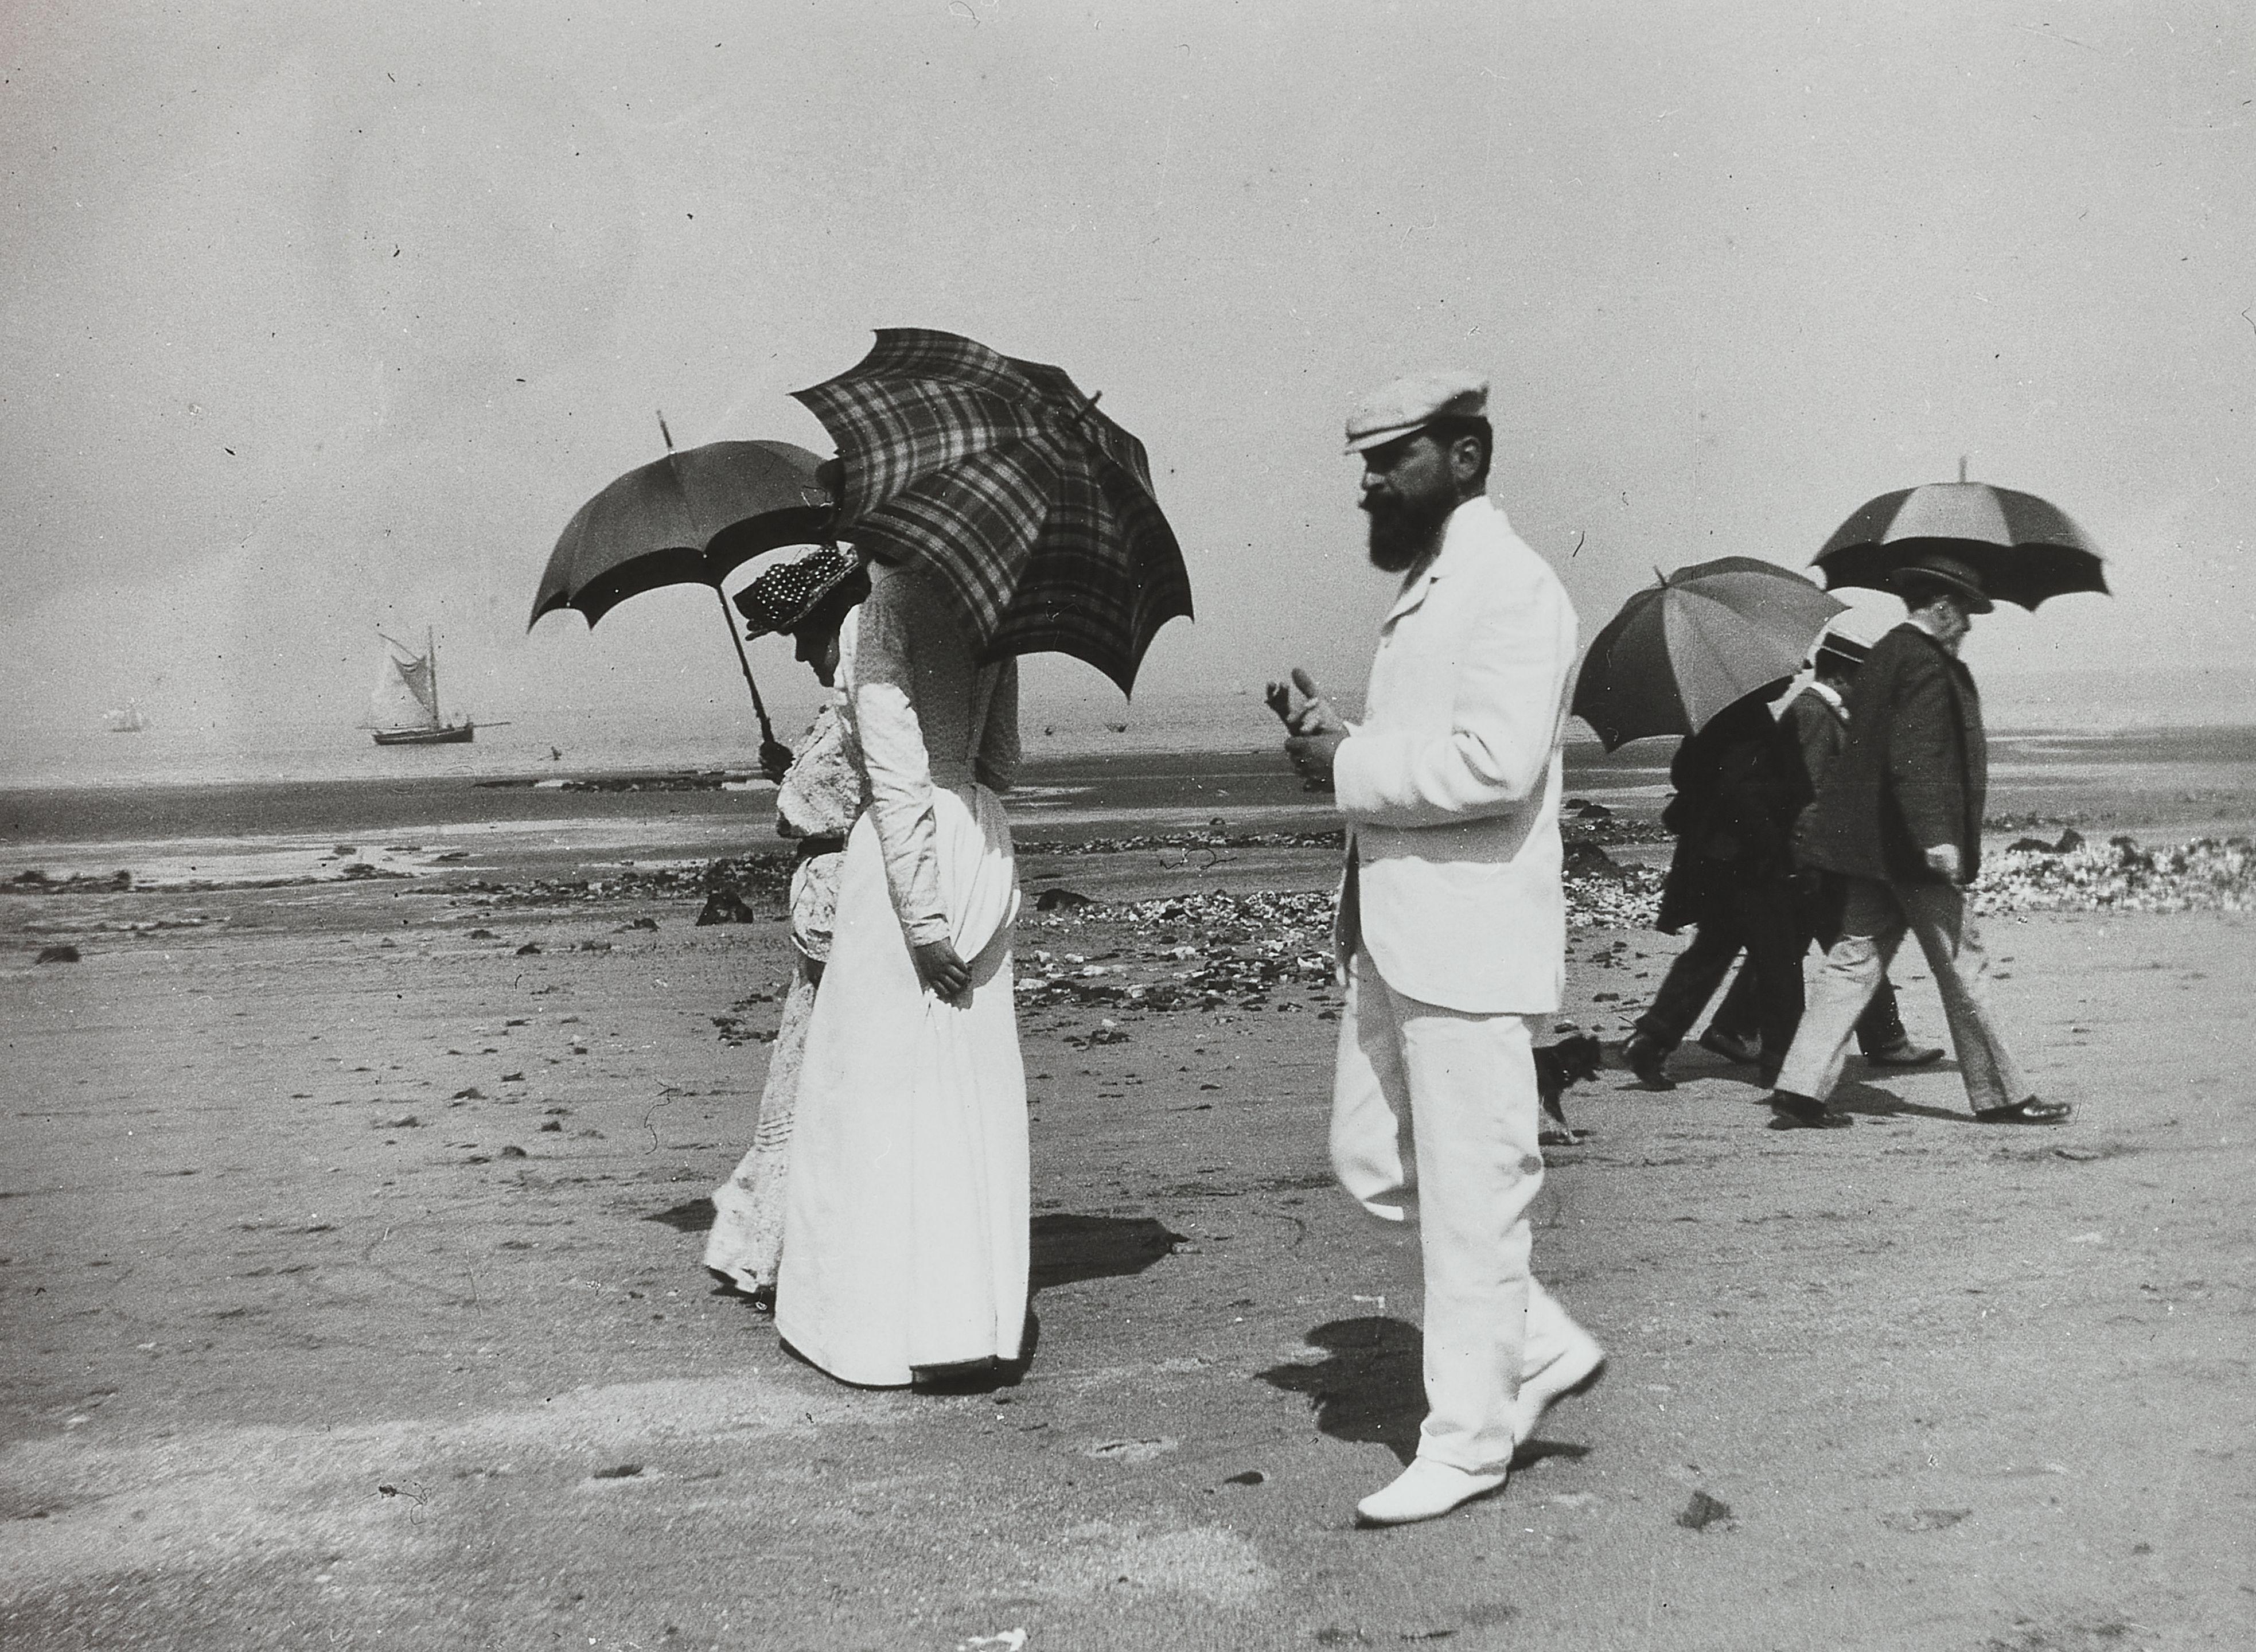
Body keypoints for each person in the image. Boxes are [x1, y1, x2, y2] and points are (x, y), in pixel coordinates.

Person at [1275, 371, 1604, 1527]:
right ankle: (1539, 1342)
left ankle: (1464, 1444)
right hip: (1400, 932)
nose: (1370, 480)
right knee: (1372, 1161)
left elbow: (1496, 768)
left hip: (1466, 945)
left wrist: (1345, 773)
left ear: (1465, 456)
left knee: (1472, 1201)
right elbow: (1434, 746)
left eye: (1392, 456)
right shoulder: (1431, 588)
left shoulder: (1512, 587)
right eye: (1365, 461)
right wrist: (1343, 740)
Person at [773, 557, 1029, 1385]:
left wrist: (921, 919)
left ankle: (880, 1331)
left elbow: (893, 776)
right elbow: (1001, 761)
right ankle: (972, 1321)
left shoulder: (877, 614)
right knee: (970, 1090)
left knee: (875, 1092)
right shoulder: (991, 601)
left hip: (903, 858)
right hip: (977, 837)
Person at [1763, 551, 2070, 1129]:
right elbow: (1915, 757)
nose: (1972, 625)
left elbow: (1877, 753)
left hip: (1871, 849)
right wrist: (1937, 837)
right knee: (1964, 966)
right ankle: (2001, 1095)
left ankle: (1800, 1091)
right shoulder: (1925, 663)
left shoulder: (1884, 656)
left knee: (1851, 965)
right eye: (1969, 612)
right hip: (1911, 852)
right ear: (1943, 607)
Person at [702, 546, 873, 1306]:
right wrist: (791, 769)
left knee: (816, 1080)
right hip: (837, 908)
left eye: (805, 637)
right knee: (812, 1077)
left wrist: (789, 785)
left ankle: (791, 1250)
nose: (802, 654)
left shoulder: (854, 711)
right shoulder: (848, 709)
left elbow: (814, 810)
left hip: (842, 909)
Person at [1698, 635, 1939, 1072]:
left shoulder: (1817, 710)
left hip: (1815, 857)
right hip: (1817, 859)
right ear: (1843, 674)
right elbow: (1802, 796)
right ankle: (1886, 1039)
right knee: (1854, 946)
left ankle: (1732, 1028)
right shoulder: (1811, 713)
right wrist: (1810, 858)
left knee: (1790, 948)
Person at [1619, 691, 1807, 1089]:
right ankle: (1781, 1065)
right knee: (1779, 962)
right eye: (1784, 673)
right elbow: (1744, 794)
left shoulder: (1714, 715)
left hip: (1714, 858)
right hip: (1748, 862)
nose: (1793, 676)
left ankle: (1651, 1039)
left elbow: (1685, 775)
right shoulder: (1748, 718)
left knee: (1710, 953)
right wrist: (1777, 848)